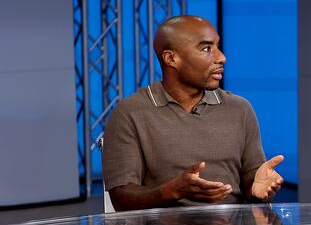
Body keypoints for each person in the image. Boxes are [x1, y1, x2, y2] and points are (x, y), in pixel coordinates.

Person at [102, 15, 284, 211]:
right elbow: (121, 198)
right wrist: (172, 191)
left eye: (217, 46)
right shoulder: (130, 113)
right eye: (207, 49)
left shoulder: (240, 109)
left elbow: (251, 183)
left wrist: (257, 189)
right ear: (171, 58)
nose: (222, 57)